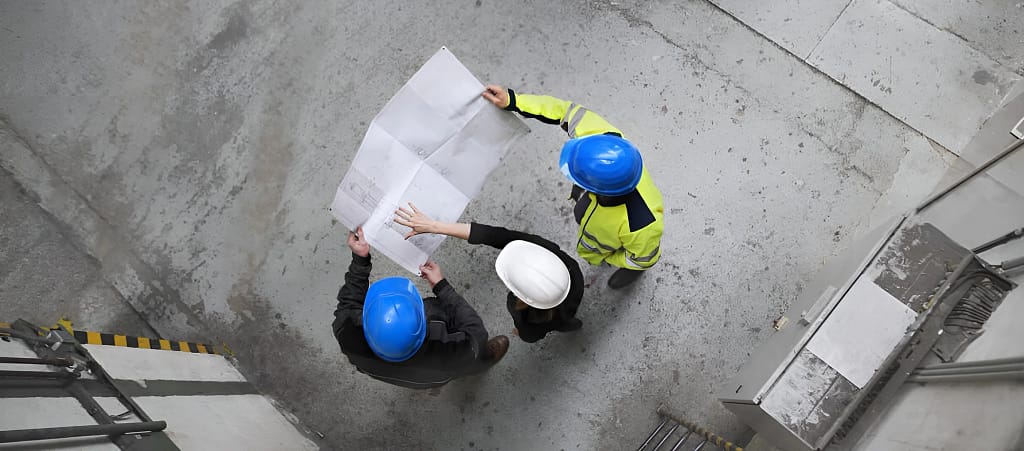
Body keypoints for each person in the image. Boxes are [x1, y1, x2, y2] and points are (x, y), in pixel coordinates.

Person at [481, 85, 665, 289]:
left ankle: (631, 272)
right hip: (595, 212)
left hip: (610, 246)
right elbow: (564, 111)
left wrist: (613, 258)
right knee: (582, 213)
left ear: (597, 189)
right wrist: (514, 101)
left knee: (635, 259)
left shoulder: (642, 225)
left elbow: (643, 257)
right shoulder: (606, 139)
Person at [332, 227, 509, 389]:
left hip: (413, 378)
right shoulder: (449, 352)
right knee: (469, 360)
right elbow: (476, 332)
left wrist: (360, 259)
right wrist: (441, 287)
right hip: (444, 369)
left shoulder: (348, 335)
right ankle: (481, 363)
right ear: (422, 330)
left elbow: (348, 302)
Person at [394, 203, 584, 343]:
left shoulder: (521, 314)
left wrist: (435, 226)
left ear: (523, 297)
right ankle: (573, 325)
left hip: (548, 318)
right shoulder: (570, 271)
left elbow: (529, 336)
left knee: (562, 322)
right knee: (566, 322)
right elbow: (493, 235)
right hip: (565, 311)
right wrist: (433, 226)